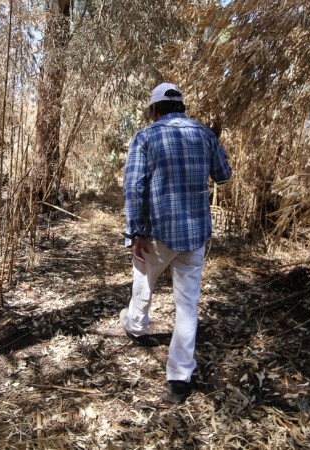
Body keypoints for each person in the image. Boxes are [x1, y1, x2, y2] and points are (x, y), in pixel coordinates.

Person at [120, 82, 232, 404]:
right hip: (195, 234)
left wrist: (134, 232)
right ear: (181, 107)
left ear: (154, 110)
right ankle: (179, 379)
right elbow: (224, 175)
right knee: (187, 305)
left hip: (157, 232)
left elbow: (134, 188)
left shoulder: (145, 137)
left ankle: (137, 328)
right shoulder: (205, 134)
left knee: (144, 279)